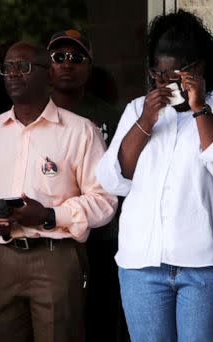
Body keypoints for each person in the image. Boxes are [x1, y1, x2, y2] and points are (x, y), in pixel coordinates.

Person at [94, 10, 213, 342]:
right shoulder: (139, 108)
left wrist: (198, 109)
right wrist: (147, 120)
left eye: (177, 74)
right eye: (159, 74)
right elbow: (112, 179)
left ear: (198, 68)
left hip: (204, 265)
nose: (167, 84)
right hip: (141, 264)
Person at [0, 41, 117, 342]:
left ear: (49, 76)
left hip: (55, 256)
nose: (13, 74)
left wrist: (48, 215)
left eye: (24, 67)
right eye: (8, 68)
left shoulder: (81, 130)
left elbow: (104, 201)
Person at [47, 29, 128, 342]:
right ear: (46, 65)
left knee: (101, 317)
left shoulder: (110, 115)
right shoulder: (34, 114)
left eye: (77, 57)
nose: (68, 64)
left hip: (103, 236)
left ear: (90, 66)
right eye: (59, 57)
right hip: (53, 235)